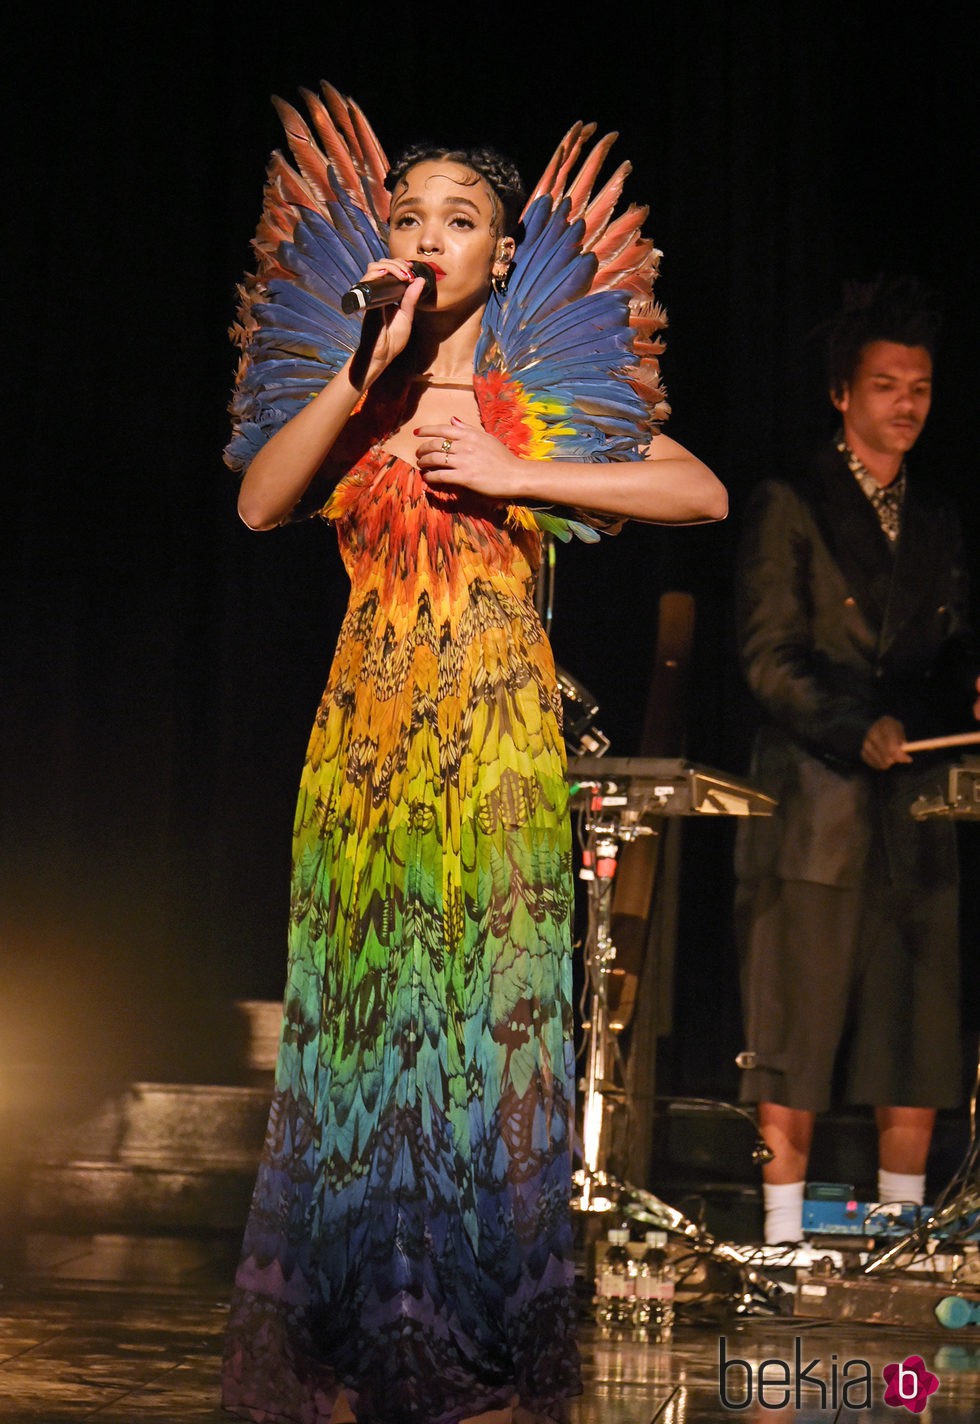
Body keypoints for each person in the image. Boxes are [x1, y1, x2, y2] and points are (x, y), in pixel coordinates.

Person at [219, 83, 726, 1424]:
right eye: (410, 212)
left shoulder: (533, 390)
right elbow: (264, 501)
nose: (430, 233)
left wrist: (517, 472)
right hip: (367, 742)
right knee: (361, 1037)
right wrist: (357, 369)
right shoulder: (364, 384)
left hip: (496, 736)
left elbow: (698, 490)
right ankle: (352, 1336)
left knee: (479, 1042)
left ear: (506, 254)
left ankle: (478, 1349)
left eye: (462, 217)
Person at [734, 275, 980, 1246]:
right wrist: (853, 725)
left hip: (916, 800)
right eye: (886, 385)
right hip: (816, 796)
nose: (906, 404)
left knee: (910, 1031)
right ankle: (783, 1239)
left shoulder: (935, 517)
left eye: (917, 387)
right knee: (791, 1032)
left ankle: (900, 1239)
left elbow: (950, 639)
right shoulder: (788, 500)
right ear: (843, 391)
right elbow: (765, 655)